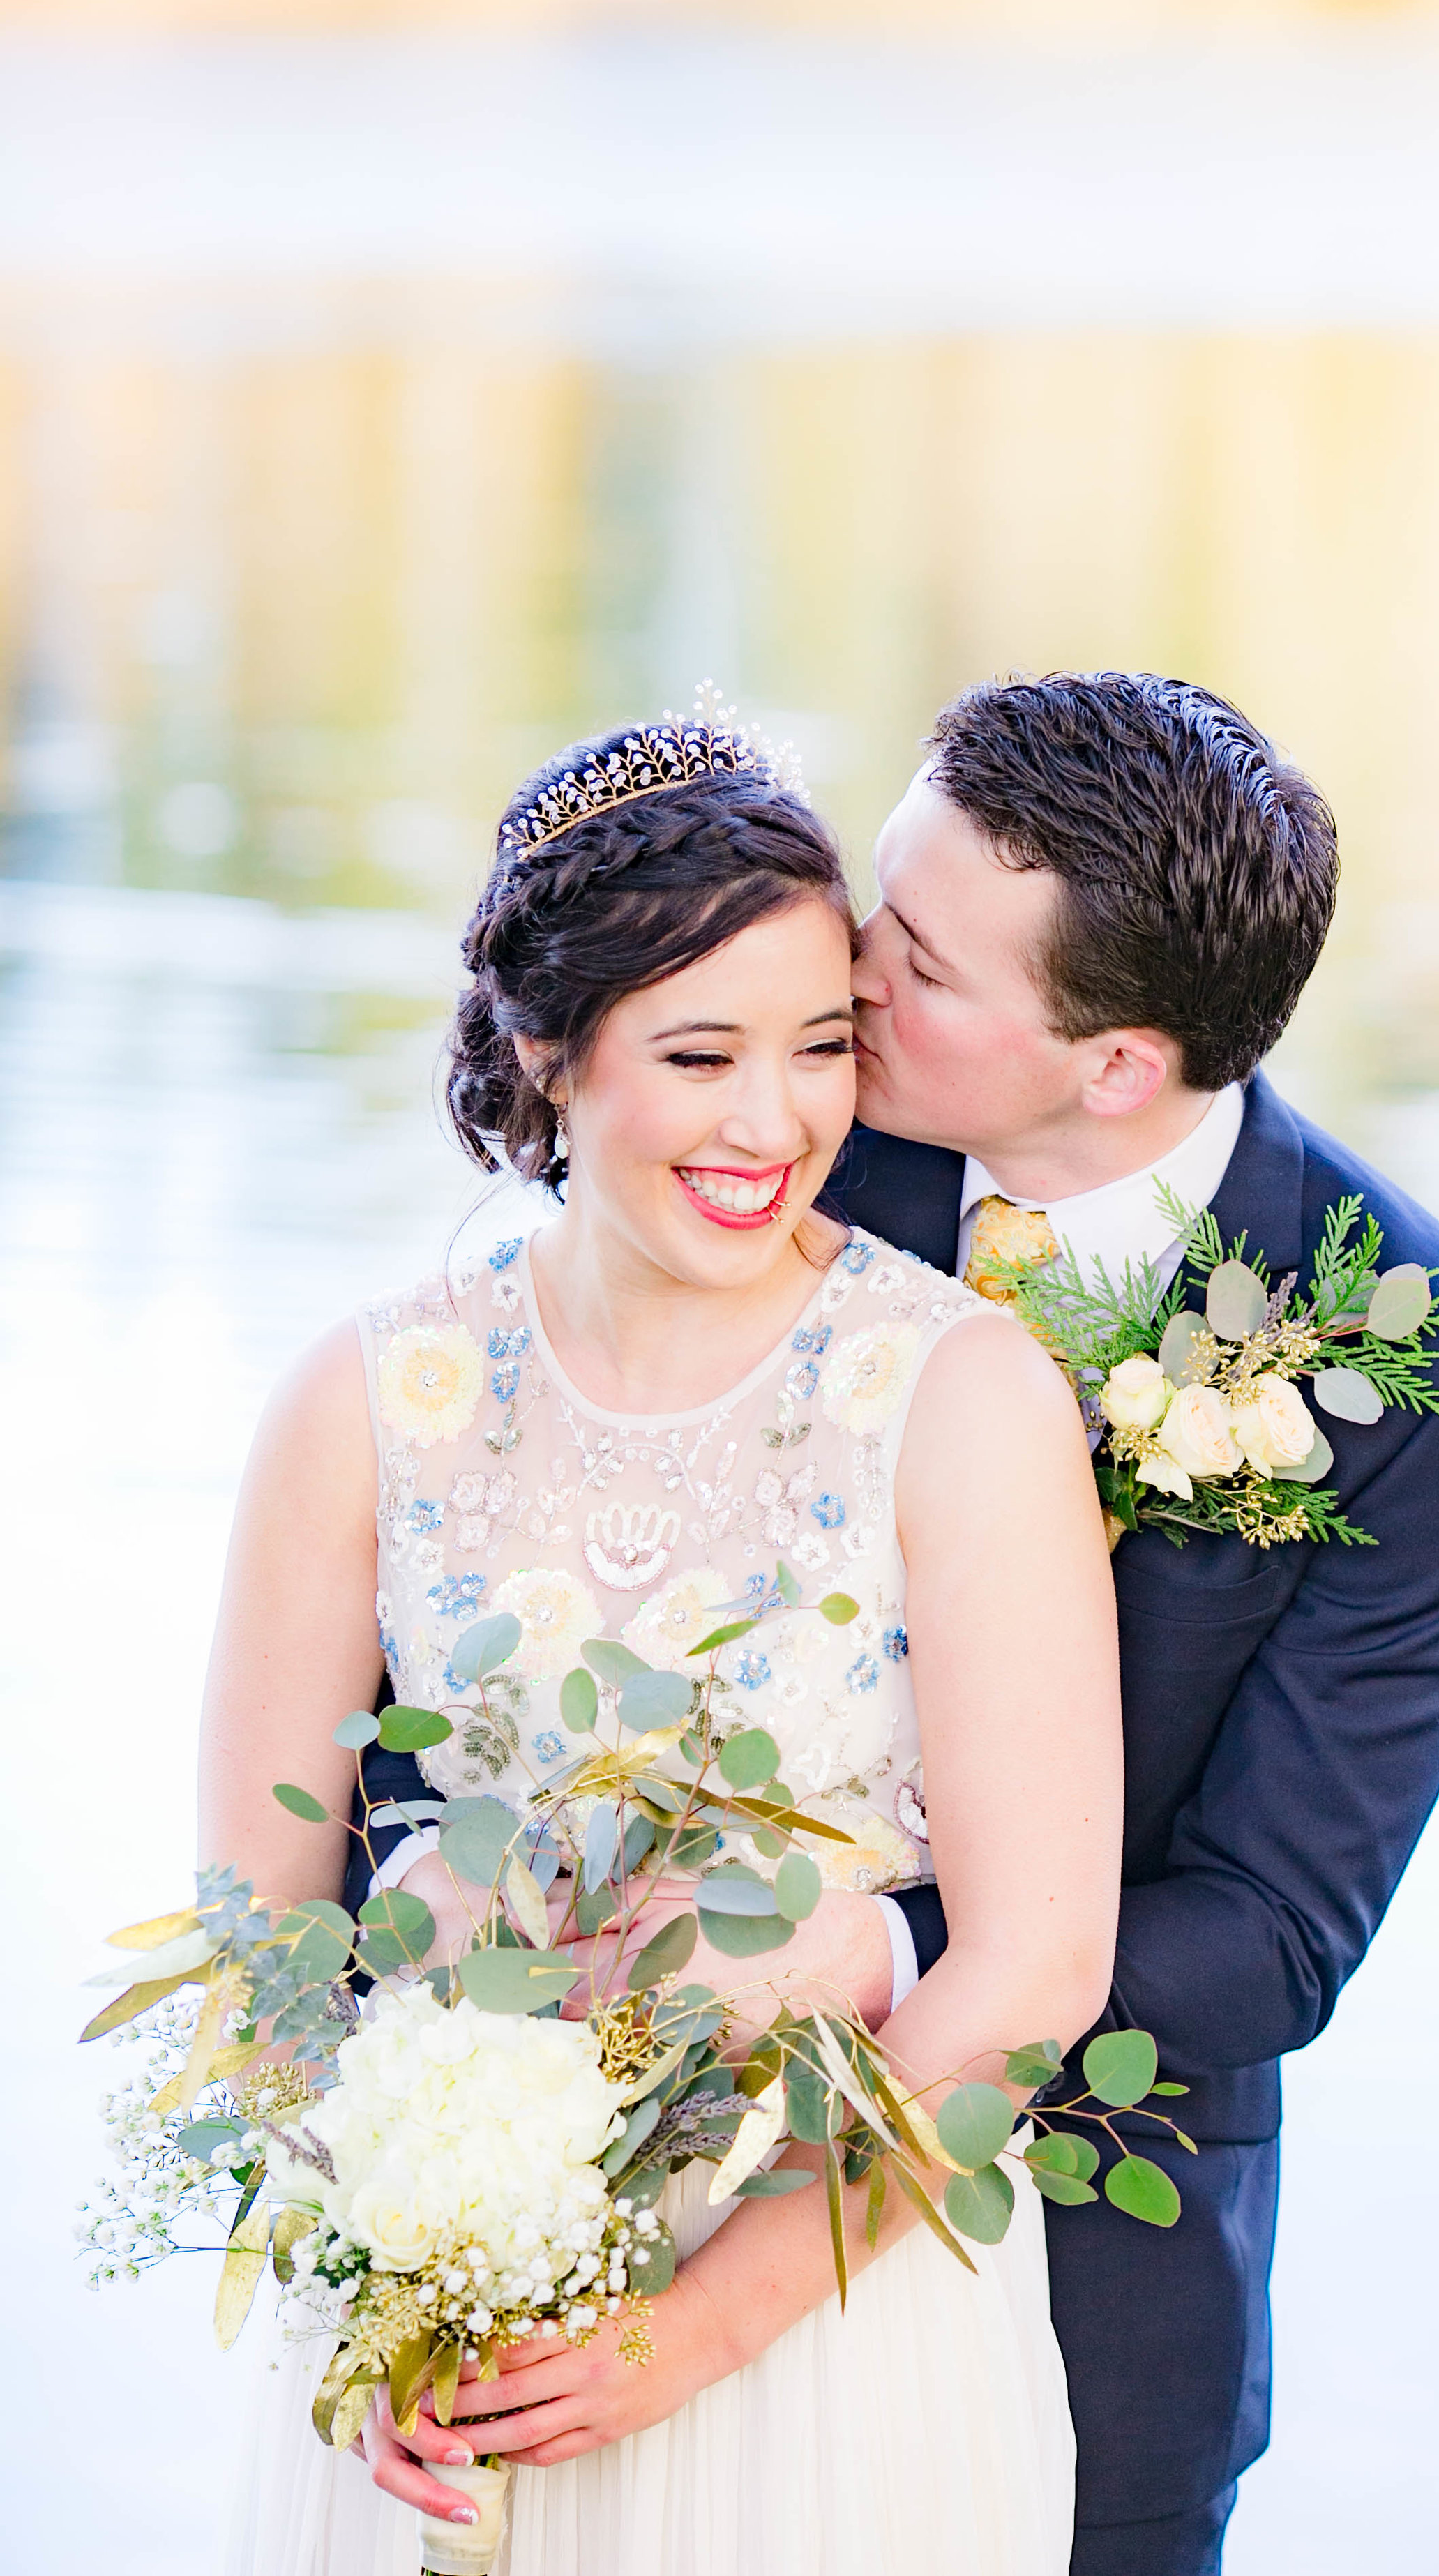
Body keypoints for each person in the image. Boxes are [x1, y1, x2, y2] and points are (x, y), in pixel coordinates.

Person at [355, 672, 1439, 2576]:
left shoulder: (1433, 1365)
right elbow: (471, 1584)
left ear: (1105, 1065)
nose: (834, 971)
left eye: (908, 960)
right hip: (561, 2190)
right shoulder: (774, 1138)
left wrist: (874, 1949)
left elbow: (1271, 1939)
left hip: (1068, 2275)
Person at [203, 710, 1124, 2576]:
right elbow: (256, 1934)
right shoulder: (367, 1400)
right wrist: (380, 2254)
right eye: (698, 1055)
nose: (772, 1124)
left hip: (838, 2348)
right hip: (447, 2349)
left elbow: (1031, 1971)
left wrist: (687, 2336)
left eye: (819, 1049)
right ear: (548, 1053)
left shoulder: (955, 1391)